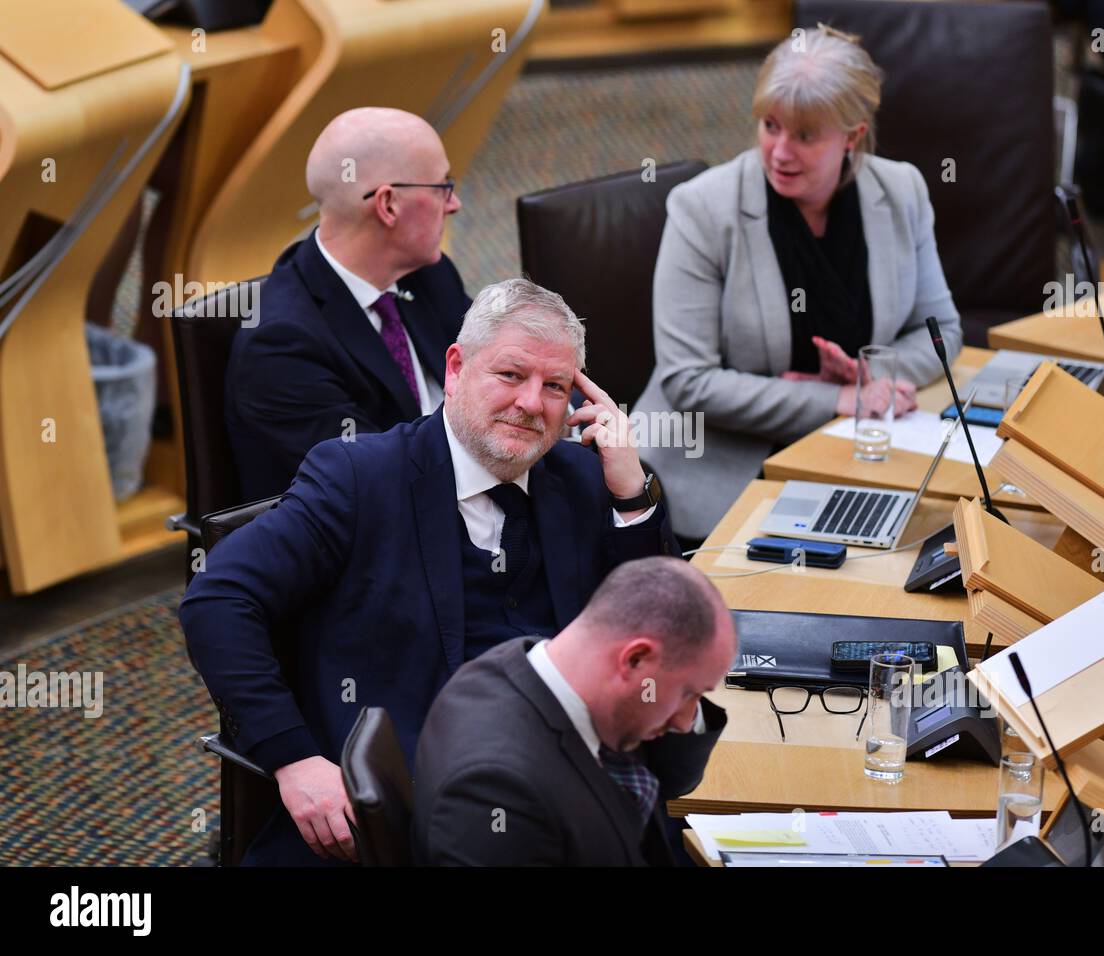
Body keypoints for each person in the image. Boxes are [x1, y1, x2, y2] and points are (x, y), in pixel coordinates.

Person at [179, 278, 678, 866]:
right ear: (457, 367)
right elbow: (218, 599)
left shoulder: (580, 479)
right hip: (412, 809)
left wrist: (631, 494)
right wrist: (293, 758)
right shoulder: (359, 478)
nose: (530, 403)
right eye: (511, 375)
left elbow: (659, 636)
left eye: (556, 387)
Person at [633, 25, 963, 542]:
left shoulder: (901, 191)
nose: (780, 152)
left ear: (852, 136)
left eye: (805, 135)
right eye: (770, 126)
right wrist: (835, 401)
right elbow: (687, 381)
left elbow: (940, 330)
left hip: (861, 453)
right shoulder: (701, 209)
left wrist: (865, 377)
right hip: (725, 469)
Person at [411, 556, 734, 866]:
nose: (684, 721)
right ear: (635, 659)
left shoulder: (522, 666)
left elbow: (670, 776)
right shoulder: (497, 792)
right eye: (688, 693)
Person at [226, 107, 473, 501]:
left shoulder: (428, 273)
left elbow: (503, 362)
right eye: (442, 186)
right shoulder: (281, 346)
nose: (454, 203)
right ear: (388, 204)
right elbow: (381, 481)